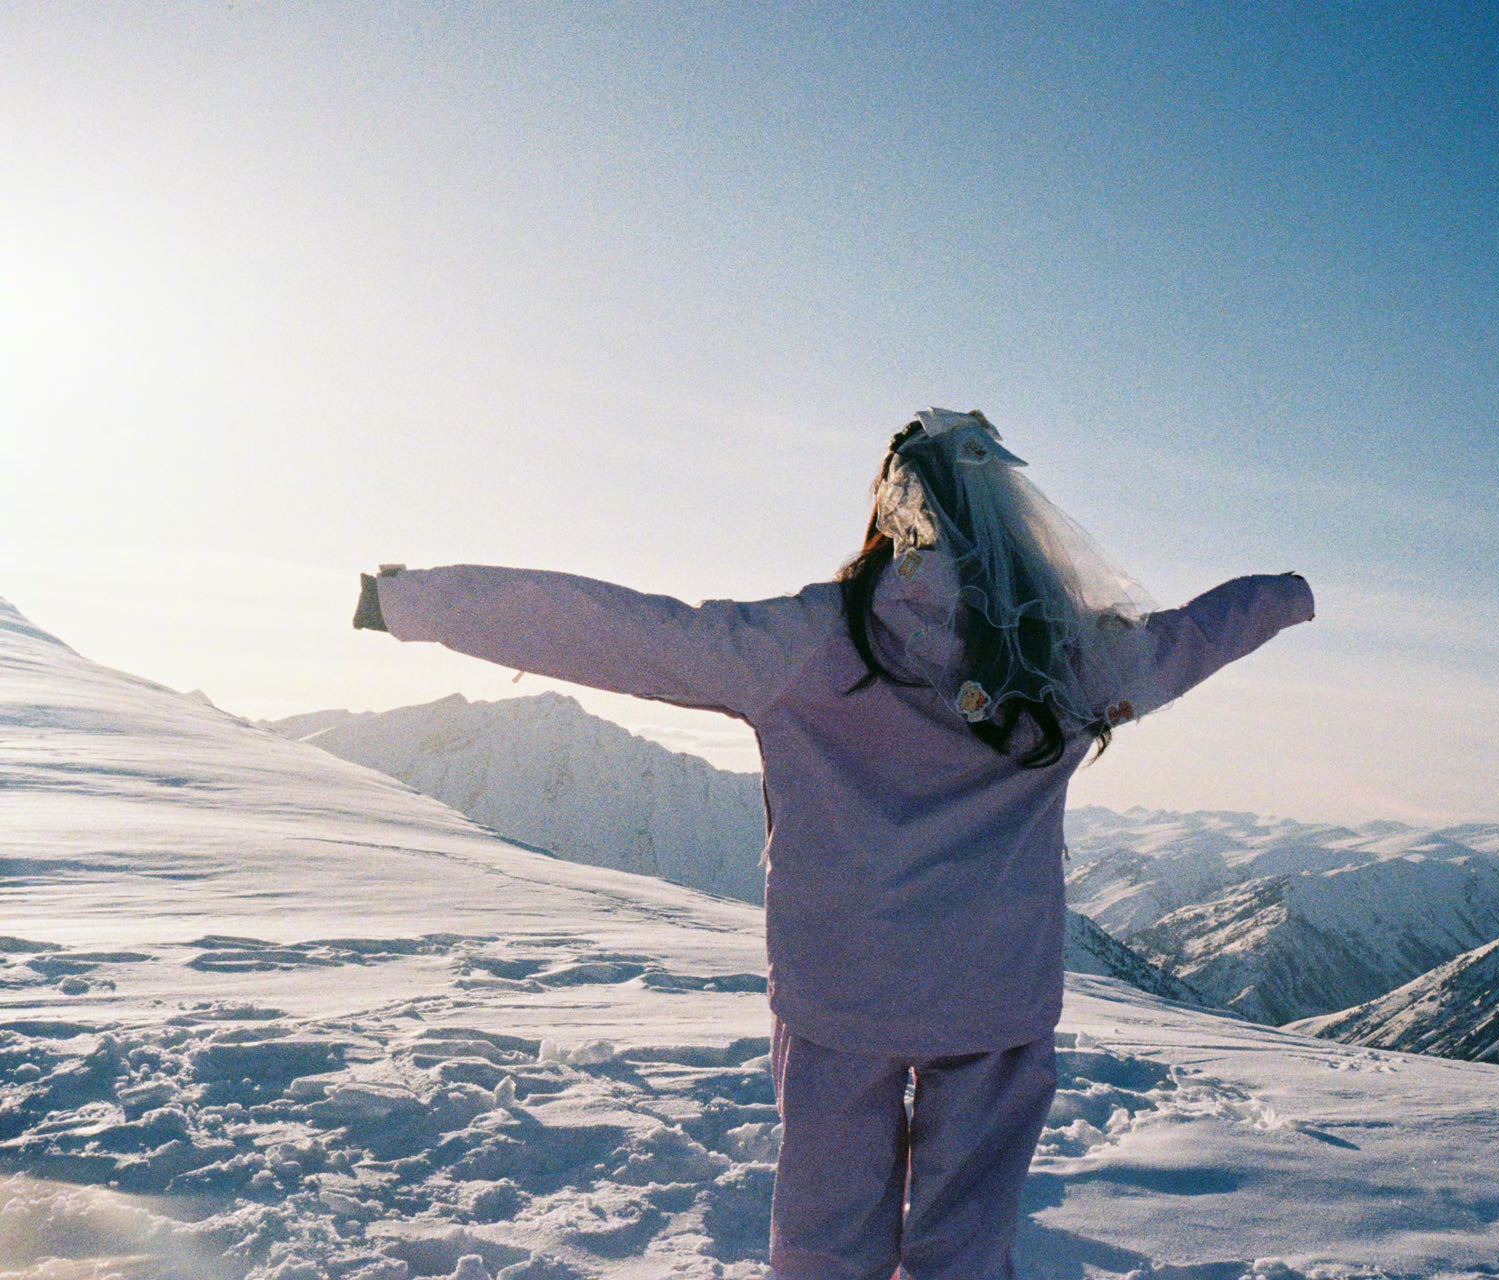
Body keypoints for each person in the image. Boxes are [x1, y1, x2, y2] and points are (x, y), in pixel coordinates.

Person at [353, 407, 1315, 1279]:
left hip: (838, 992)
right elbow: (1196, 636)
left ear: (893, 511)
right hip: (993, 996)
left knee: (824, 1238)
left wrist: (416, 604)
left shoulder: (809, 641)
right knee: (966, 1246)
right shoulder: (1065, 656)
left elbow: (613, 630)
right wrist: (1287, 594)